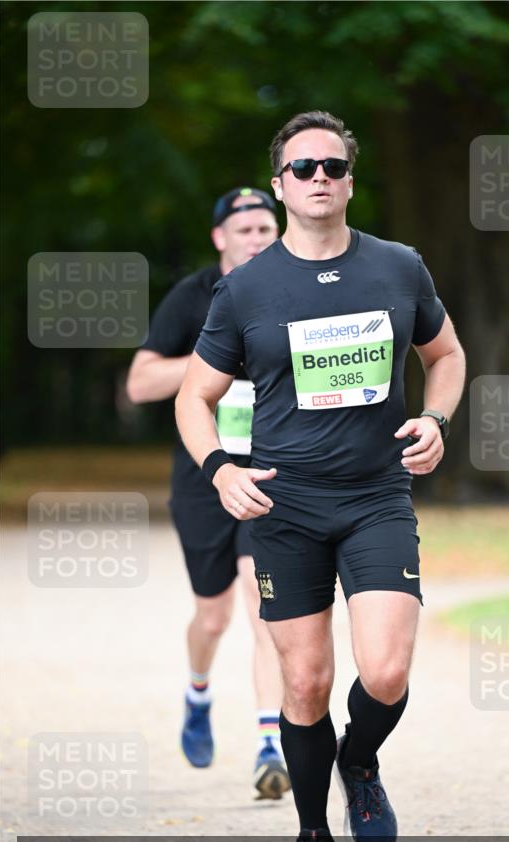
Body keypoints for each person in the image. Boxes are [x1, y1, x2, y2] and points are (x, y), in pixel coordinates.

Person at [175, 112, 466, 842]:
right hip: (285, 508)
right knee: (303, 684)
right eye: (301, 168)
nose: (317, 178)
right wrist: (217, 470)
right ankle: (311, 838)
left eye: (332, 166)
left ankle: (360, 760)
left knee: (386, 669)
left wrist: (436, 419)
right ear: (280, 184)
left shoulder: (398, 267)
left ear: (349, 179)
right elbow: (193, 398)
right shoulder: (245, 289)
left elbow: (444, 354)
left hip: (375, 496)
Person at [126, 187, 290, 800]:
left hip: (272, 474)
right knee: (214, 614)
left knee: (260, 602)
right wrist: (213, 359)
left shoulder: (293, 288)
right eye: (243, 228)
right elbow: (141, 383)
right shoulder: (193, 297)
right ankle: (198, 691)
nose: (255, 236)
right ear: (220, 238)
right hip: (202, 476)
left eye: (265, 227)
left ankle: (269, 742)